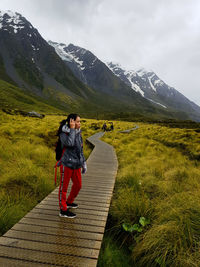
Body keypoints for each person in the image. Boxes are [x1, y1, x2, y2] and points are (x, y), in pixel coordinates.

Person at [56, 113, 87, 218]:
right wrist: (72, 129)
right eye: (78, 121)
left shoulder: (78, 133)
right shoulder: (63, 133)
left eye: (80, 121)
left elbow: (80, 150)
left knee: (78, 185)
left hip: (77, 164)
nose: (80, 123)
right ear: (71, 122)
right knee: (63, 188)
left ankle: (69, 201)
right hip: (67, 164)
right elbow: (70, 143)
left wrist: (83, 163)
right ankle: (63, 209)